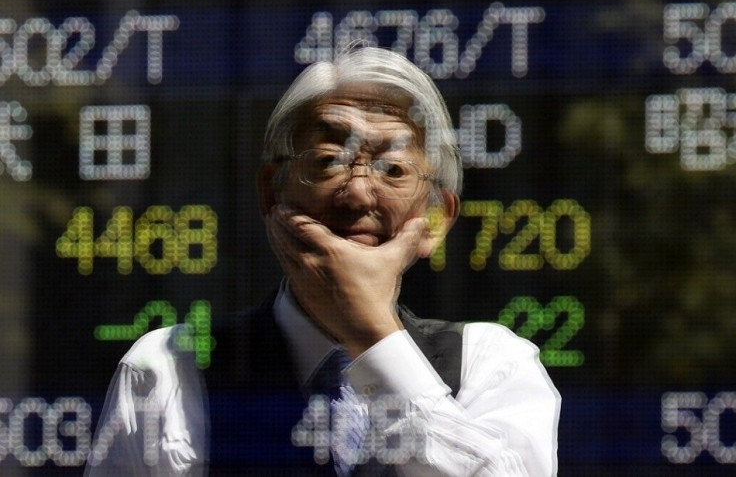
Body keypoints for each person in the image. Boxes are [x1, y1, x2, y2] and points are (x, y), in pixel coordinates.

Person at [86, 47, 560, 476]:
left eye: (393, 170)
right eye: (329, 160)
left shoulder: (491, 363)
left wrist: (374, 337)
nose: (357, 193)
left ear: (435, 219)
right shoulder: (168, 367)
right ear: (271, 192)